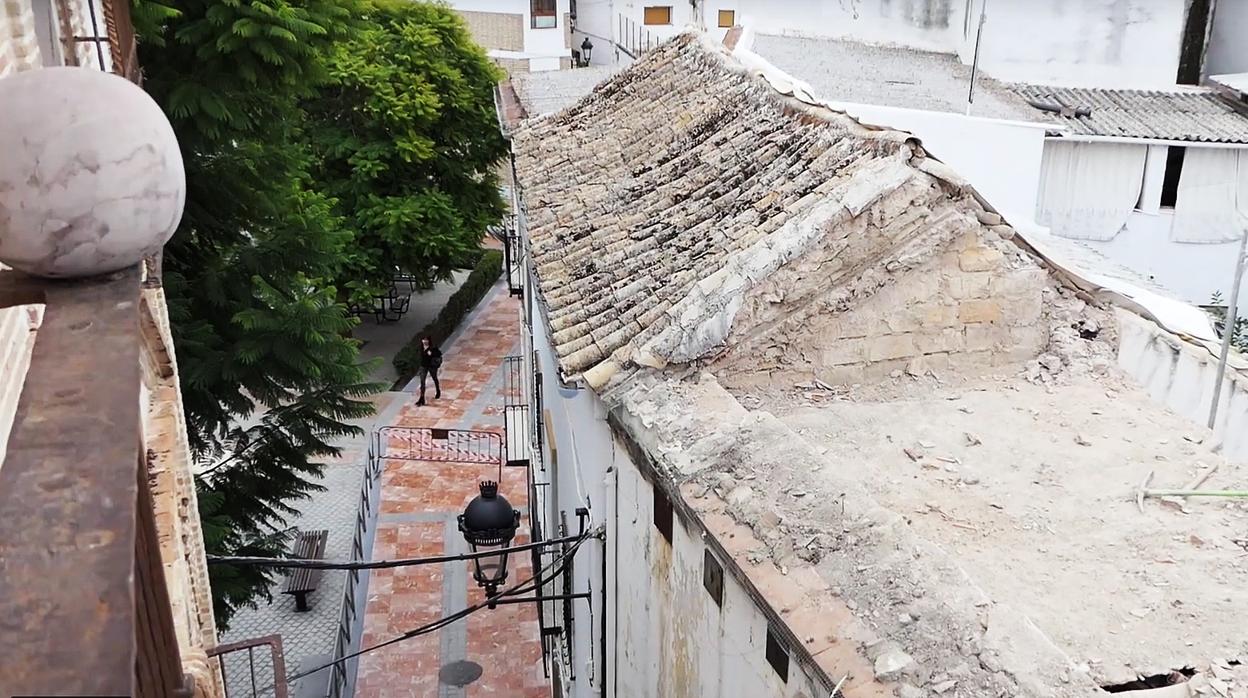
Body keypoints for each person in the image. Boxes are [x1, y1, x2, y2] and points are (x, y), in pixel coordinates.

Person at [416, 337, 443, 406]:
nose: (425, 341)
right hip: (423, 366)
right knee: (422, 382)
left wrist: (431, 354)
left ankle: (438, 390)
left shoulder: (432, 348)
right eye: (423, 340)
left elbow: (439, 354)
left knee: (434, 378)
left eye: (426, 340)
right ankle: (422, 398)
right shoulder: (421, 348)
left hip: (431, 366)